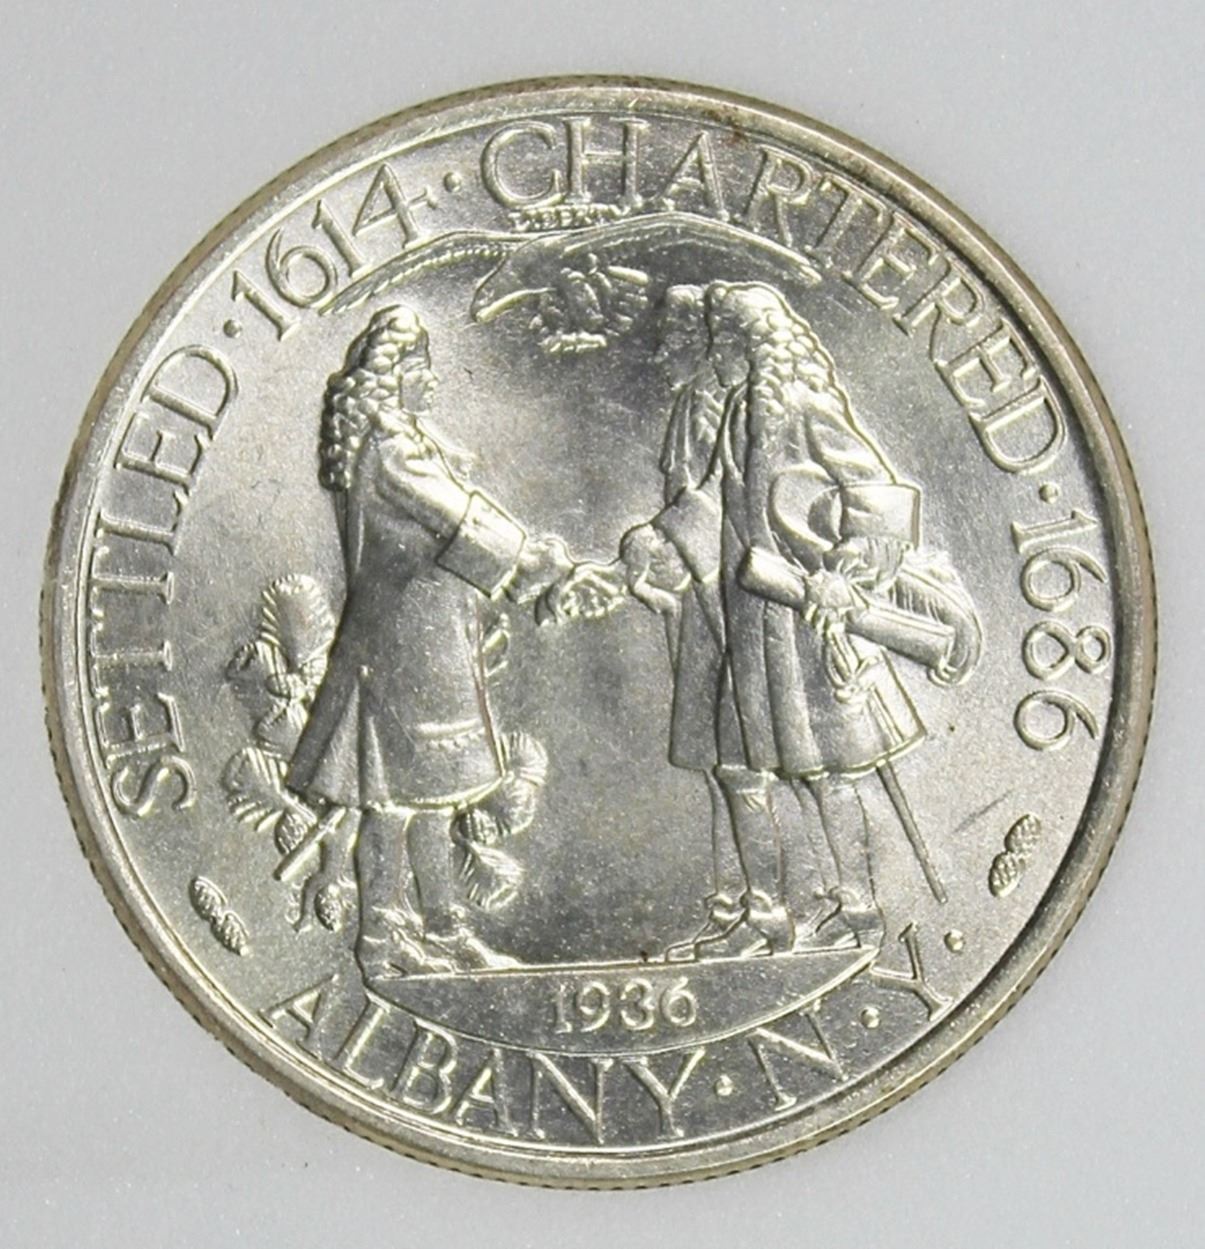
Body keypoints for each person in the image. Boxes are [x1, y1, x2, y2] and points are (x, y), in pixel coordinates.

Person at [630, 282, 928, 950]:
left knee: (826, 774)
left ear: (750, 344)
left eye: (723, 342)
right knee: (752, 768)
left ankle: (859, 909)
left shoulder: (805, 408)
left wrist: (846, 574)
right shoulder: (740, 411)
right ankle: (767, 917)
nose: (715, 354)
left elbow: (881, 498)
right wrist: (659, 535)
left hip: (801, 621)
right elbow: (714, 497)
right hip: (751, 623)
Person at [287, 305, 570, 982]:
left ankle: (443, 927)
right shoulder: (394, 450)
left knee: (432, 798)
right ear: (396, 377)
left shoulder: (404, 441)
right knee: (392, 803)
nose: (434, 381)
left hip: (428, 643)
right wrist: (529, 557)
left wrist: (524, 566)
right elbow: (459, 516)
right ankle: (383, 936)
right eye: (422, 368)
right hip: (402, 648)